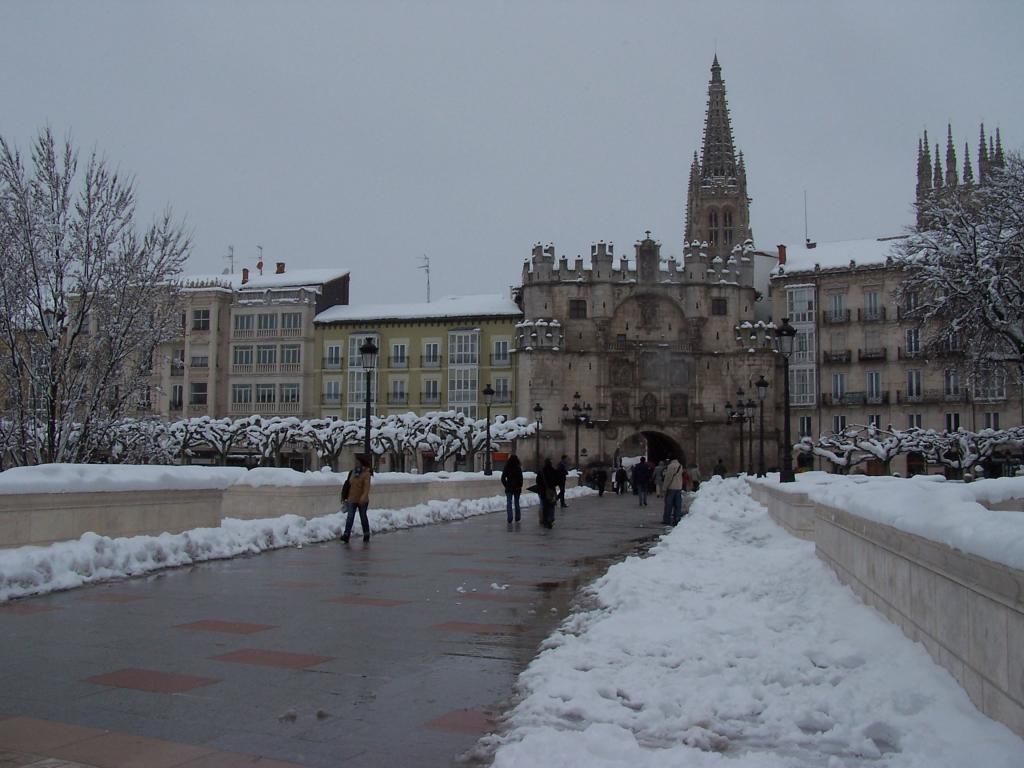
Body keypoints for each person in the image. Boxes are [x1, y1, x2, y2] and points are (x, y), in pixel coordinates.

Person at [340, 454, 372, 543]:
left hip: (362, 500)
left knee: (363, 517)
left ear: (361, 463)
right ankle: (346, 534)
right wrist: (345, 497)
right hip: (352, 498)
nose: (355, 463)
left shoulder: (366, 474)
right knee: (350, 517)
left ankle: (366, 533)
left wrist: (363, 497)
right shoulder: (352, 472)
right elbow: (348, 485)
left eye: (357, 462)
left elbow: (366, 488)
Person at [537, 458, 561, 528]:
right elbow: (558, 480)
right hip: (551, 491)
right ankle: (551, 518)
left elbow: (538, 481)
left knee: (545, 506)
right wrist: (552, 485)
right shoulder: (553, 471)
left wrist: (542, 487)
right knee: (551, 505)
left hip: (543, 491)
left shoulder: (541, 471)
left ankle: (545, 520)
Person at [500, 453, 524, 524]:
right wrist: (520, 485)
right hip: (517, 488)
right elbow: (521, 478)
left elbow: (503, 478)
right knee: (516, 503)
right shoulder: (518, 468)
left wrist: (506, 485)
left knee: (509, 503)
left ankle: (510, 517)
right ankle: (517, 517)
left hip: (509, 487)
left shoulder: (507, 467)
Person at [662, 457, 685, 525]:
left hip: (671, 488)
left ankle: (667, 519)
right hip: (679, 488)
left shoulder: (671, 466)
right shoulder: (680, 466)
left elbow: (668, 477)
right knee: (677, 505)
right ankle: (677, 518)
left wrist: (664, 487)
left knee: (668, 504)